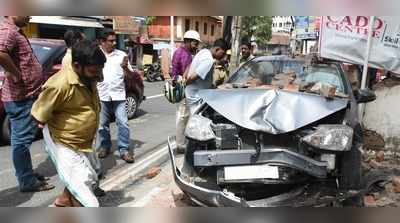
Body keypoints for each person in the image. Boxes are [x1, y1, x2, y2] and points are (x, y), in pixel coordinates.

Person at [31, 40, 106, 207]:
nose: (99, 75)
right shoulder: (58, 85)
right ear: (77, 65)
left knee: (90, 176)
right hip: (62, 141)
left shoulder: (89, 75)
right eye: (95, 70)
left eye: (101, 68)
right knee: (89, 201)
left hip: (83, 140)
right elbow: (38, 115)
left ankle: (64, 200)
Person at [0, 16, 54, 192]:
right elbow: (1, 52)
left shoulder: (15, 30)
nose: (30, 16)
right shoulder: (8, 31)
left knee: (22, 141)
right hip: (20, 97)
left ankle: (26, 173)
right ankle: (26, 181)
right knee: (21, 142)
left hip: (23, 96)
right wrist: (16, 74)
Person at [175, 38, 228, 152]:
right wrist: (183, 84)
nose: (222, 57)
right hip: (197, 97)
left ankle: (190, 146)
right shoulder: (208, 60)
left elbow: (189, 66)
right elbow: (193, 77)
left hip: (193, 93)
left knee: (190, 121)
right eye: (222, 53)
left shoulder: (203, 52)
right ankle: (193, 150)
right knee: (197, 126)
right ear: (217, 49)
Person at [96, 28, 135, 163]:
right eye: (110, 41)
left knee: (123, 123)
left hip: (118, 95)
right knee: (102, 124)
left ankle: (124, 149)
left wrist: (125, 67)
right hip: (101, 95)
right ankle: (105, 146)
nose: (114, 43)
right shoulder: (95, 55)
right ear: (101, 41)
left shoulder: (121, 55)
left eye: (114, 40)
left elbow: (131, 77)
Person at [173, 30, 201, 153]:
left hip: (191, 89)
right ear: (188, 41)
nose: (196, 46)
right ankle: (180, 144)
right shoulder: (181, 53)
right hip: (185, 88)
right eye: (195, 43)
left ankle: (186, 141)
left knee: (189, 116)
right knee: (182, 116)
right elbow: (177, 72)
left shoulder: (192, 53)